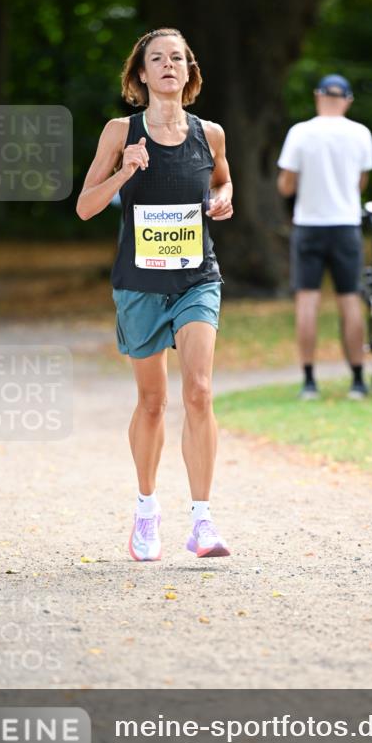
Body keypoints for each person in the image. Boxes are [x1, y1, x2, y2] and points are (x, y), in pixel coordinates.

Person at [76, 28, 233, 561]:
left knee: (200, 391)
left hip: (196, 278)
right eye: (157, 59)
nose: (169, 65)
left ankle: (203, 520)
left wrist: (222, 199)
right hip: (140, 284)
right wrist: (125, 170)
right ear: (141, 74)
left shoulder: (210, 134)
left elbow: (222, 182)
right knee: (152, 402)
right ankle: (146, 510)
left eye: (178, 58)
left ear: (189, 72)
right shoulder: (121, 131)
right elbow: (85, 207)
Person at [277, 74, 372, 401]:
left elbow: (286, 185)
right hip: (346, 225)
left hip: (309, 224)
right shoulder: (361, 133)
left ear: (318, 96)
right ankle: (358, 380)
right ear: (348, 100)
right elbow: (361, 182)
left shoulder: (300, 132)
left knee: (307, 301)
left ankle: (309, 381)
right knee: (350, 300)